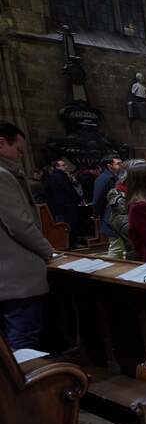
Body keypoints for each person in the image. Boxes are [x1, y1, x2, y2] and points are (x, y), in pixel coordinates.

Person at [0, 122, 54, 350]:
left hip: (7, 274)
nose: (21, 155)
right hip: (15, 276)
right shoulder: (2, 175)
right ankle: (26, 374)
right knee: (23, 340)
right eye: (19, 149)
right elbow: (20, 224)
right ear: (1, 143)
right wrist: (48, 251)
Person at [43, 158, 85, 245]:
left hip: (57, 207)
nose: (66, 167)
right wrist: (79, 199)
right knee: (70, 225)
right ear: (57, 167)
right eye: (63, 165)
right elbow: (69, 190)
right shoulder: (62, 177)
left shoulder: (50, 178)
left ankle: (63, 243)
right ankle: (71, 243)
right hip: (67, 205)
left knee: (61, 225)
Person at [93, 155, 123, 242]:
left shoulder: (115, 177)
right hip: (110, 216)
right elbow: (98, 199)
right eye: (118, 164)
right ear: (109, 166)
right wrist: (98, 213)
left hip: (117, 216)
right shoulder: (104, 179)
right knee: (115, 244)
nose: (121, 166)